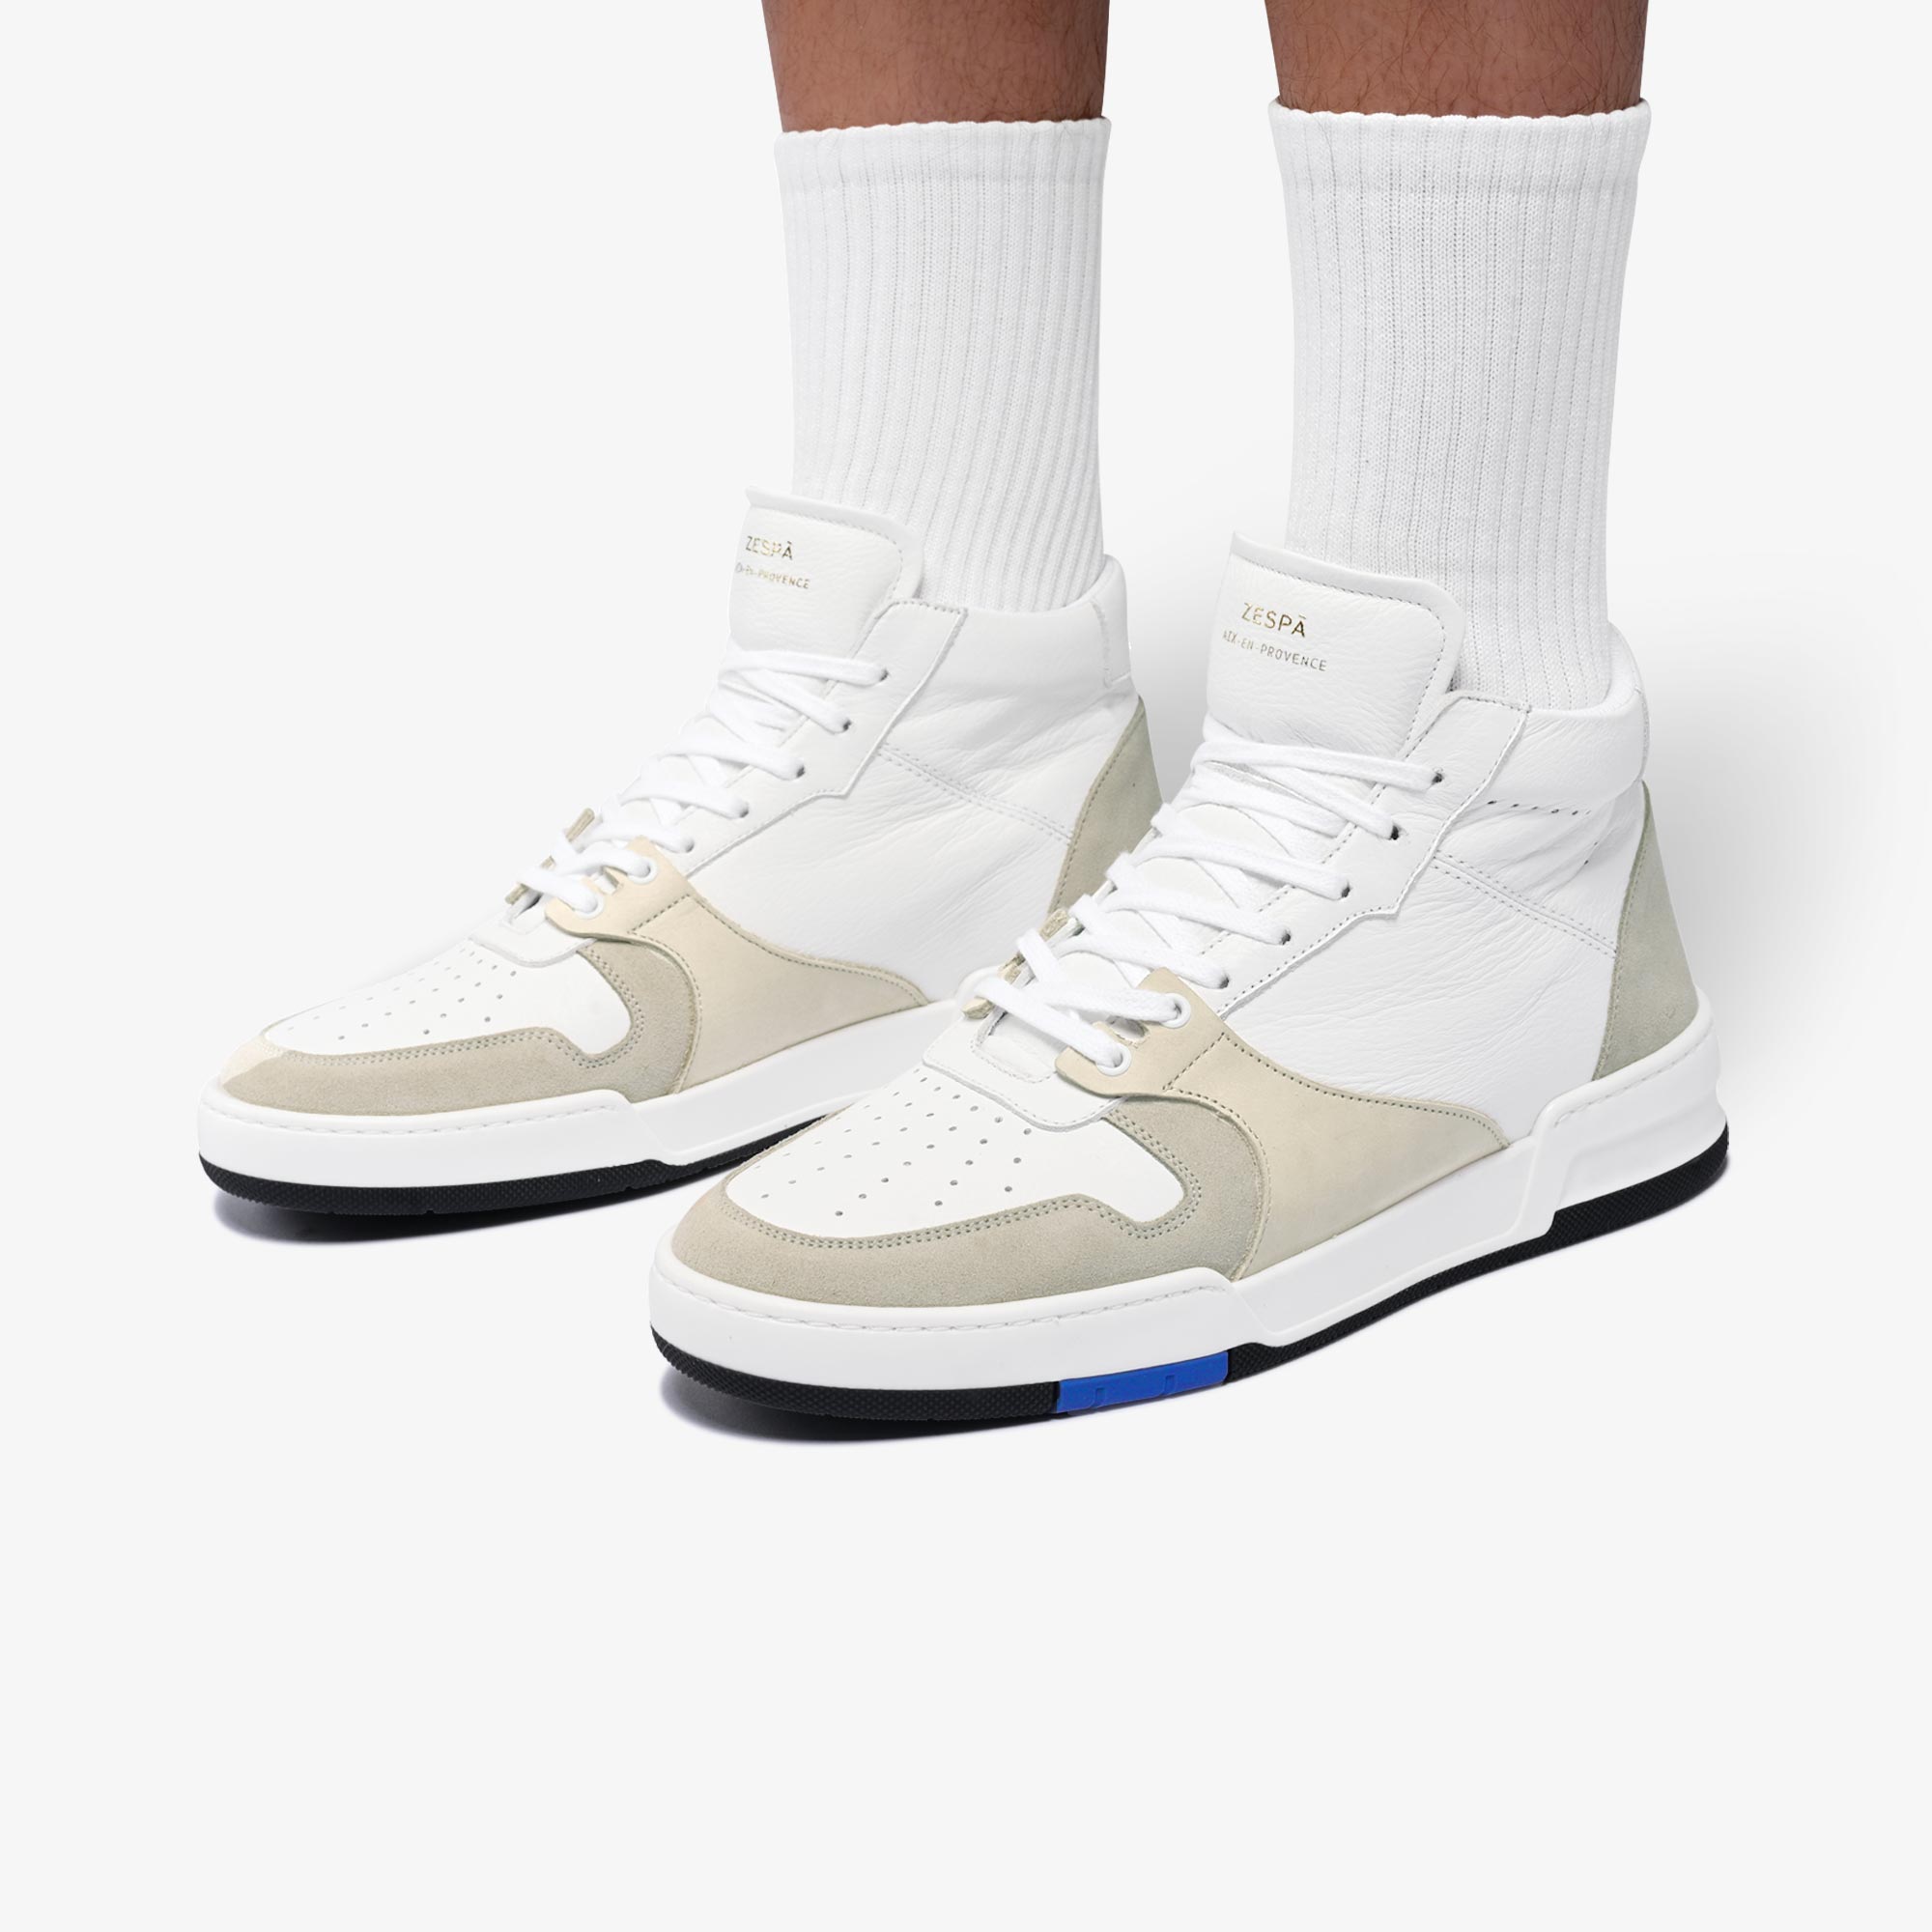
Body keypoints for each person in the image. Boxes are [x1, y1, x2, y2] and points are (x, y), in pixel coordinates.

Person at [199, 2, 1723, 1420]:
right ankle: (958, 729)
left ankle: (1491, 842)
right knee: (944, 538)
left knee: (1447, 622)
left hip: (1483, 862)